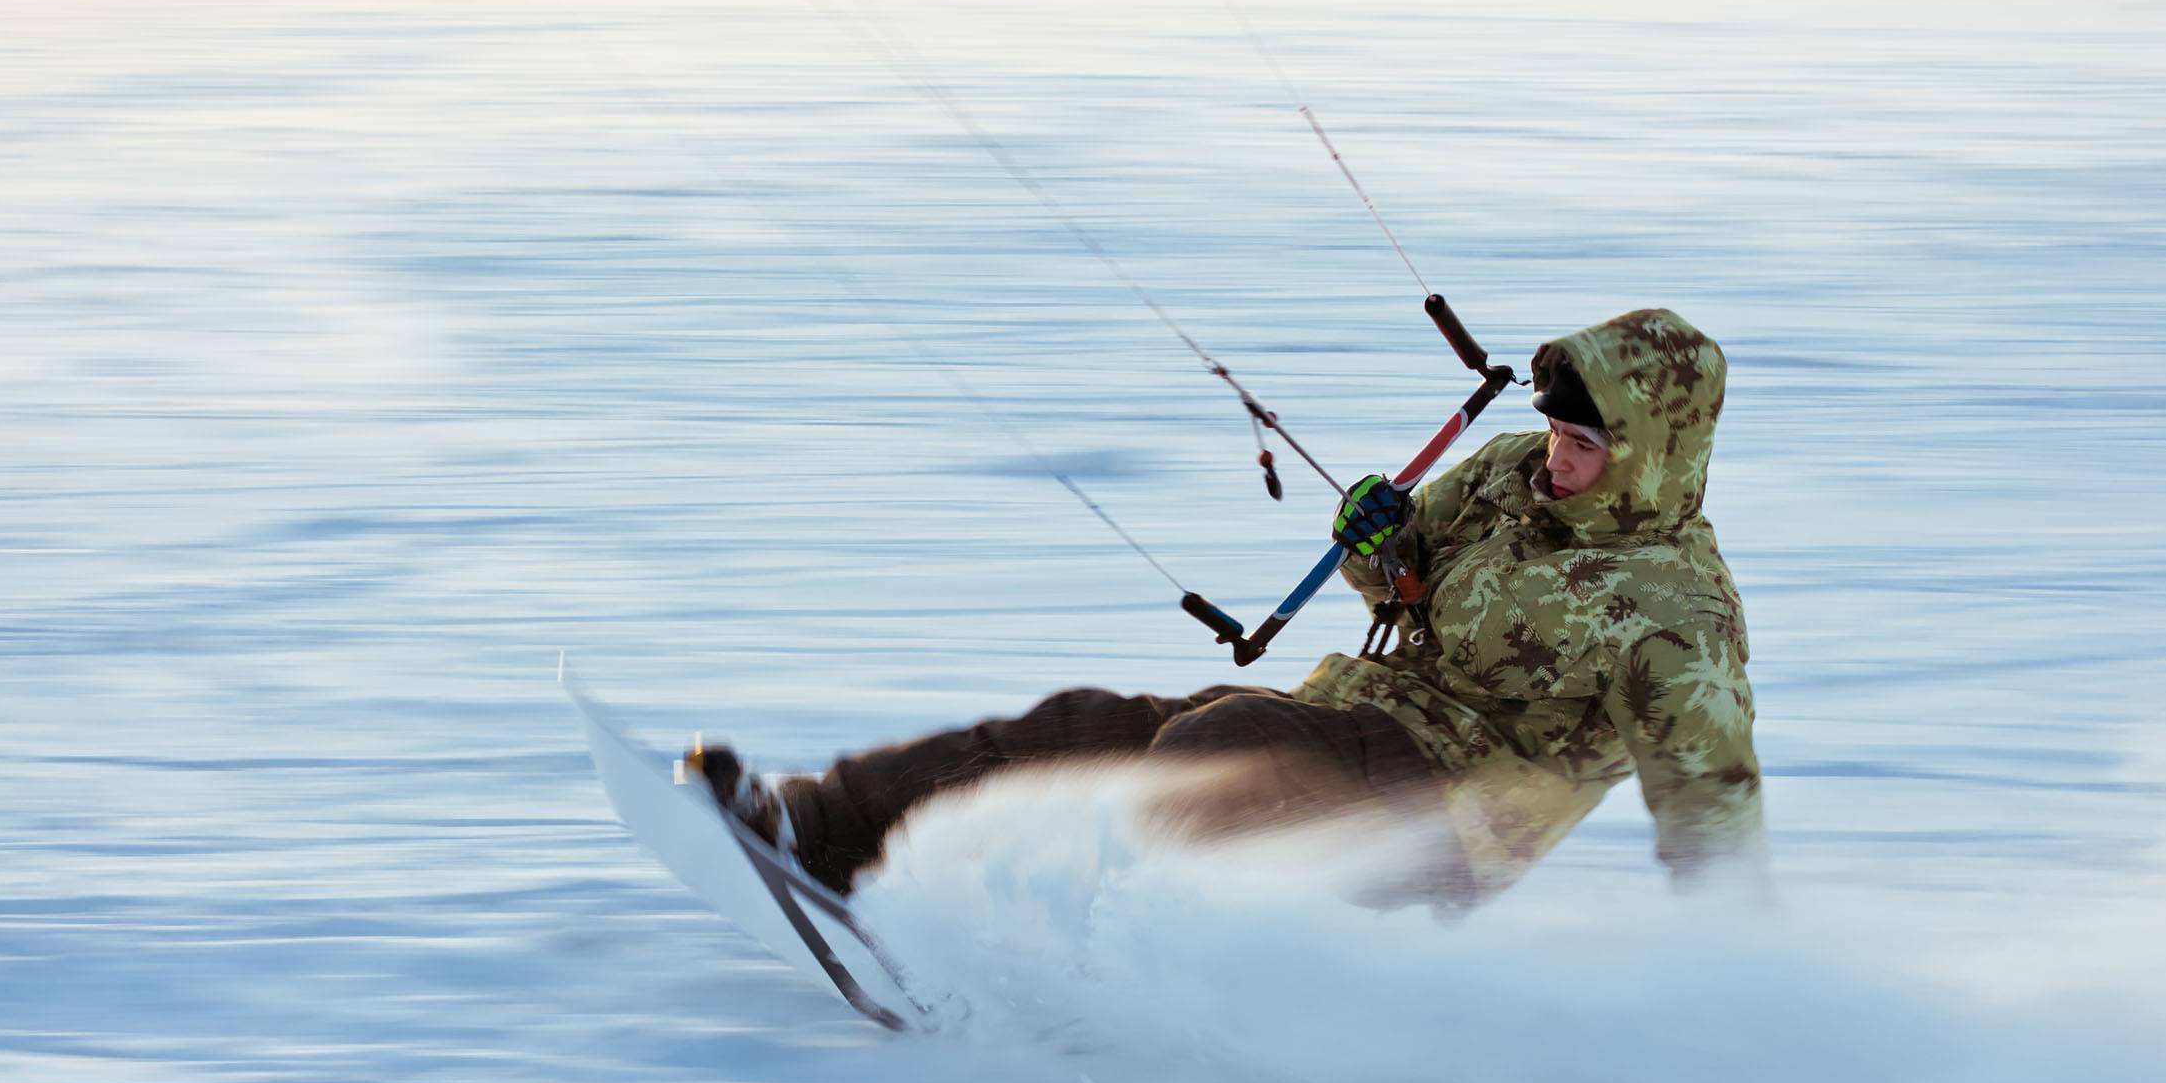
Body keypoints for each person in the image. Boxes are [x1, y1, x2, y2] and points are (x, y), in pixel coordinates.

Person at [689, 307, 1763, 904]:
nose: (1555, 458)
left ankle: (1054, 938)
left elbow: (1712, 806)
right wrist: (1376, 542)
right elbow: (1402, 580)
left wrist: (1737, 994)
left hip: (1450, 814)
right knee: (1095, 725)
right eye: (1555, 432)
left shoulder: (1678, 618)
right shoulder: (1502, 469)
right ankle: (819, 828)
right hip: (1361, 716)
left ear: (1651, 453)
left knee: (1224, 746)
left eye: (1584, 446)